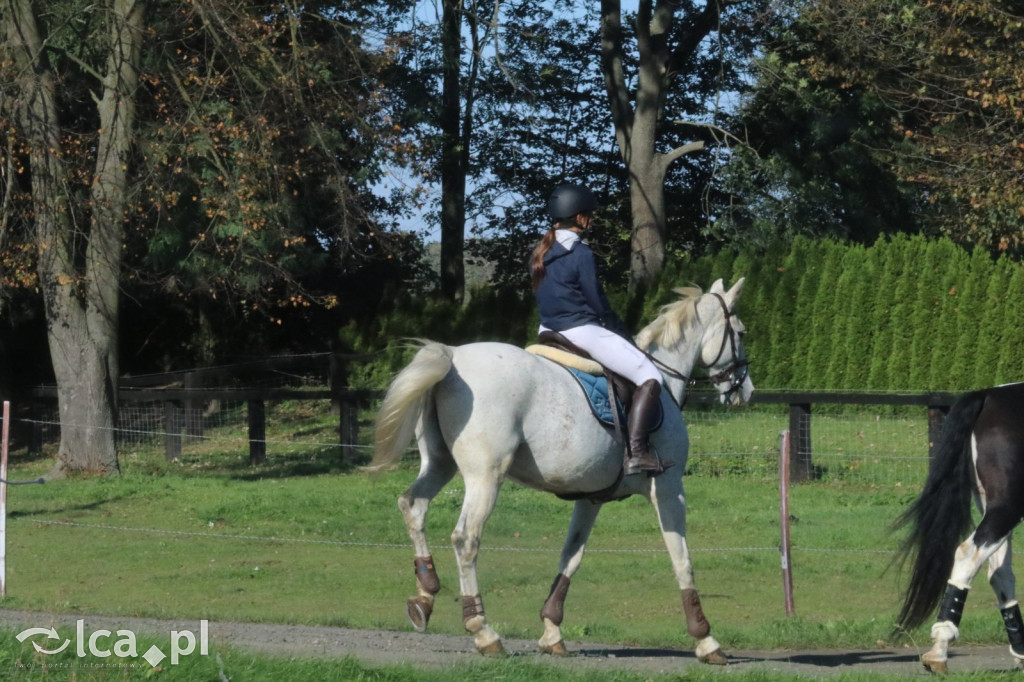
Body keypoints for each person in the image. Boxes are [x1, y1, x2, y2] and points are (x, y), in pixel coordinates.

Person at [529, 182, 672, 476]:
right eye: (588, 215)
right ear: (579, 217)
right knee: (650, 375)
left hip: (547, 331)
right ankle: (637, 453)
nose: (590, 220)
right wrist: (622, 333)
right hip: (581, 330)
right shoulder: (581, 254)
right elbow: (597, 303)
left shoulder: (540, 253)